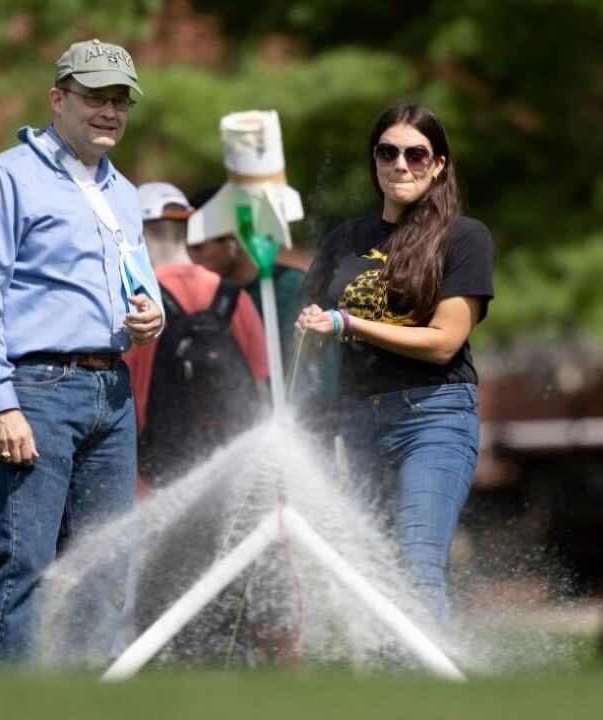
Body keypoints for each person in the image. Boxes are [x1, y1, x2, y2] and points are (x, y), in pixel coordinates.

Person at [0, 38, 163, 664]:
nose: (110, 111)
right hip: (34, 390)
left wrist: (151, 315)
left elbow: (141, 285)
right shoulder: (4, 177)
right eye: (95, 96)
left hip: (112, 390)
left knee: (105, 566)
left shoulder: (124, 191)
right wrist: (1, 404)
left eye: (120, 99)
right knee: (23, 566)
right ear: (57, 99)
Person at [297, 103, 495, 622]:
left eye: (416, 153)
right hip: (358, 418)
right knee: (373, 570)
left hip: (432, 415)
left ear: (439, 164)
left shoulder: (464, 238)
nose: (400, 164)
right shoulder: (345, 240)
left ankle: (431, 694)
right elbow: (316, 333)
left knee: (414, 567)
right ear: (375, 161)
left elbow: (444, 342)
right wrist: (312, 330)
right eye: (388, 152)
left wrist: (348, 324)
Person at [126, 181, 270, 488]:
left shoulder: (135, 301)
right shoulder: (233, 297)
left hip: (152, 475)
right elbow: (259, 385)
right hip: (230, 469)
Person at [189, 187, 340, 432]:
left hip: (301, 429)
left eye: (198, 247)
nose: (190, 257)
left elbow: (316, 377)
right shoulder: (209, 297)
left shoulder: (289, 289)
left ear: (232, 241)